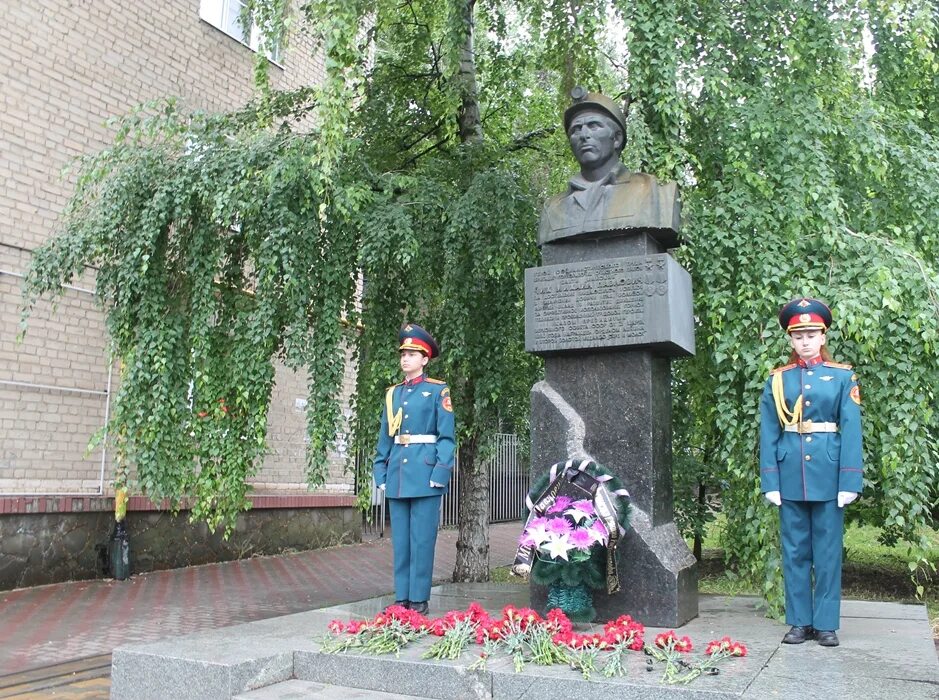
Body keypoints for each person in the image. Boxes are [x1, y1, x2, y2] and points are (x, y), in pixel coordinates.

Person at [759, 297, 863, 648]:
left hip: (830, 473)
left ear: (823, 337)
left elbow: (851, 429)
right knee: (795, 550)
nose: (804, 341)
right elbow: (769, 431)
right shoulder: (777, 380)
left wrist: (850, 479)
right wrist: (770, 479)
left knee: (829, 551)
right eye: (798, 335)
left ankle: (826, 623)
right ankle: (800, 622)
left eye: (811, 334)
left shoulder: (842, 377)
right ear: (790, 340)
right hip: (789, 475)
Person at [373, 323, 455, 615]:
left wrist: (440, 473)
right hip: (397, 475)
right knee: (402, 541)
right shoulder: (393, 394)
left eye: (412, 353)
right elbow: (386, 436)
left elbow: (446, 437)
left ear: (425, 359)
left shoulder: (437, 391)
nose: (405, 358)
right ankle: (401, 598)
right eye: (403, 353)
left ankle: (419, 598)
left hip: (425, 473)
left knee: (422, 540)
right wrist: (379, 472)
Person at [538, 86, 680, 247]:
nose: (584, 135)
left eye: (594, 126)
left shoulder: (656, 193)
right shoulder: (553, 209)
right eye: (576, 130)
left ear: (617, 138)